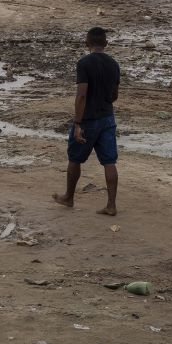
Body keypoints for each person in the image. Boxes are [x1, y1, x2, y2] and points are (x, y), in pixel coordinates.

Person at [54, 26, 120, 216]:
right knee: (109, 161)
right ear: (106, 44)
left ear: (87, 43)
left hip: (88, 119)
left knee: (75, 158)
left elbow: (81, 95)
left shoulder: (84, 63)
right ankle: (111, 205)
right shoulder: (114, 64)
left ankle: (68, 197)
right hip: (107, 118)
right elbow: (114, 94)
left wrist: (77, 123)